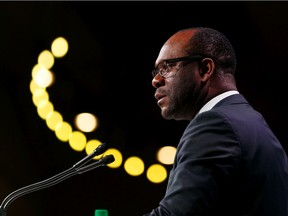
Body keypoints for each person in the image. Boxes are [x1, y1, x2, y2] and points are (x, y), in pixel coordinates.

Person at [143, 27, 288, 216]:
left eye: (167, 67)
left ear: (205, 69)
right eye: (156, 70)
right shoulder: (250, 121)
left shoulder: (215, 124)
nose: (156, 80)